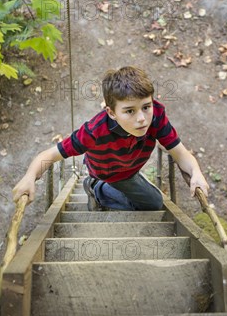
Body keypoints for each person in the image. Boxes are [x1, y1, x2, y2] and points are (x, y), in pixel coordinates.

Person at [12, 66, 210, 211]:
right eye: (129, 111)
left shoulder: (156, 116)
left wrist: (197, 173)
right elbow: (49, 155)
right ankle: (97, 188)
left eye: (145, 107)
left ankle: (109, 188)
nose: (142, 118)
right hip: (108, 173)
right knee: (155, 203)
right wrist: (29, 177)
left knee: (151, 201)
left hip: (130, 167)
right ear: (111, 112)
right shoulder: (94, 132)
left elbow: (180, 153)